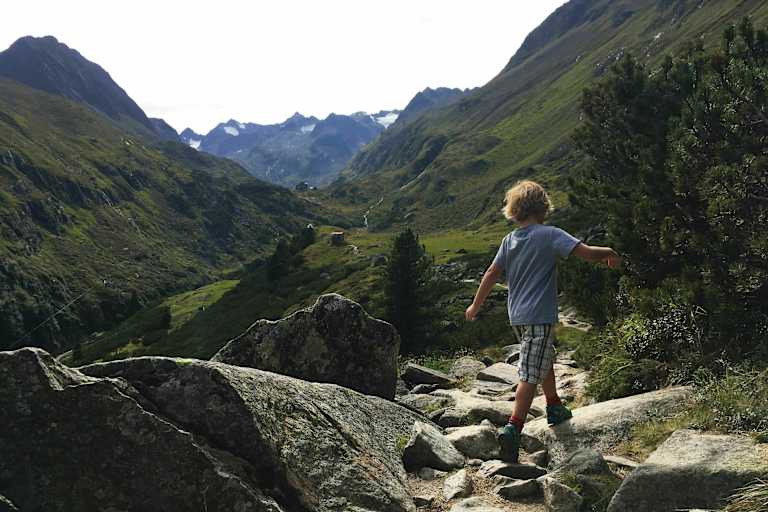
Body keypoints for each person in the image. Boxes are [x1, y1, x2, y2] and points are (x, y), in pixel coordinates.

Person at [465, 180, 620, 463]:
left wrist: (476, 305)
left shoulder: (509, 240)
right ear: (543, 207)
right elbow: (584, 253)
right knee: (529, 373)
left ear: (515, 210)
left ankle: (554, 405)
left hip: (518, 317)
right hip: (539, 314)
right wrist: (609, 252)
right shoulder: (549, 235)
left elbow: (491, 273)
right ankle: (513, 427)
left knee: (541, 358)